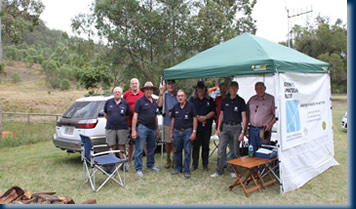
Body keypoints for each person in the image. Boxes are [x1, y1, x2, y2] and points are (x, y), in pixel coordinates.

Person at [211, 81, 247, 178]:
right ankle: (219, 171)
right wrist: (218, 128)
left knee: (235, 151)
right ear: (229, 89)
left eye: (235, 88)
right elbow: (221, 115)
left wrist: (243, 131)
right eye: (232, 88)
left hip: (236, 127)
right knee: (221, 149)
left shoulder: (241, 101)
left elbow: (244, 117)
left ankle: (233, 170)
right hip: (225, 127)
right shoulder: (225, 100)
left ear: (237, 89)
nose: (233, 90)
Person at [131, 81, 160, 177]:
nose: (149, 90)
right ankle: (138, 169)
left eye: (150, 89)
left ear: (152, 90)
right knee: (139, 149)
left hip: (153, 128)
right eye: (147, 89)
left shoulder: (154, 101)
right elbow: (135, 116)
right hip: (142, 127)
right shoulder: (140, 101)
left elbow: (155, 116)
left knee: (151, 148)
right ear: (144, 90)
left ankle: (150, 165)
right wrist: (134, 130)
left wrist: (157, 129)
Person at [170, 90, 197, 179]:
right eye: (178, 96)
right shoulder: (175, 107)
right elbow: (173, 120)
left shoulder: (191, 106)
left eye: (182, 96)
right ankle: (178, 168)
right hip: (177, 131)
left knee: (187, 151)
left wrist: (194, 131)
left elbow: (195, 119)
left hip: (187, 131)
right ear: (177, 97)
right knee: (177, 150)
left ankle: (186, 171)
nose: (180, 97)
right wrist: (171, 132)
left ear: (185, 97)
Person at [189, 81, 216, 171]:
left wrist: (206, 117)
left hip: (207, 127)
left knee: (206, 146)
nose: (200, 90)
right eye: (199, 88)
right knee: (195, 146)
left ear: (205, 89)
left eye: (202, 88)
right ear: (196, 89)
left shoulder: (209, 100)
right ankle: (194, 165)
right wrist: (197, 117)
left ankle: (205, 165)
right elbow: (189, 110)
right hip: (196, 127)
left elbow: (213, 111)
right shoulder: (192, 99)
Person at [246, 82, 276, 153]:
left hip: (264, 130)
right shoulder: (252, 99)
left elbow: (276, 115)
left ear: (265, 88)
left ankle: (264, 164)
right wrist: (246, 128)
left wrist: (269, 125)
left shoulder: (271, 99)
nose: (259, 90)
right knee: (252, 151)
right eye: (257, 89)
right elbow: (246, 114)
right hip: (252, 129)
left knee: (264, 151)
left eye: (261, 88)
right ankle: (253, 164)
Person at [103, 87, 131, 160]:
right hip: (110, 127)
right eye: (116, 92)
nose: (117, 93)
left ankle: (123, 164)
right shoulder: (108, 102)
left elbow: (128, 115)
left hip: (122, 128)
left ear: (122, 94)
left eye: (119, 92)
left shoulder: (125, 103)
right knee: (112, 146)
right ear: (113, 93)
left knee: (122, 146)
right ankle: (112, 163)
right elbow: (105, 115)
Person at [123, 78, 144, 170]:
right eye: (133, 83)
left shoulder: (142, 94)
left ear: (138, 84)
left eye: (136, 83)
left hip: (141, 123)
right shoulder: (126, 95)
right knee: (130, 143)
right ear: (130, 85)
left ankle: (142, 162)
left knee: (142, 143)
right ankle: (129, 161)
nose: (134, 85)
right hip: (129, 123)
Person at [157, 80, 178, 169]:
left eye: (172, 84)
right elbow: (159, 104)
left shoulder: (178, 94)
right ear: (166, 85)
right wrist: (161, 93)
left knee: (175, 143)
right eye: (169, 84)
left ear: (175, 85)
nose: (171, 86)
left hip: (177, 122)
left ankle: (175, 160)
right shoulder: (164, 94)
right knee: (167, 143)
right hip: (166, 121)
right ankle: (168, 159)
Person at [214, 83, 234, 166]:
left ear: (228, 89)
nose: (223, 90)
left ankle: (232, 164)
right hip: (220, 126)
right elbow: (215, 111)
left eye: (224, 88)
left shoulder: (232, 98)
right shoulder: (217, 99)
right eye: (221, 89)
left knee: (232, 146)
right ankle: (224, 163)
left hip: (231, 125)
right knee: (222, 146)